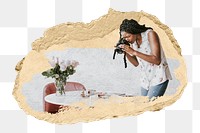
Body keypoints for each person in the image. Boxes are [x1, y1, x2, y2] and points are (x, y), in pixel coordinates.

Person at [119, 19, 172, 99]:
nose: (127, 39)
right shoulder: (134, 41)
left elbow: (157, 60)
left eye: (128, 36)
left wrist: (134, 52)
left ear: (135, 31)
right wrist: (125, 52)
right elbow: (136, 63)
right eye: (124, 38)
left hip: (159, 76)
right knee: (143, 105)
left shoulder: (150, 34)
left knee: (149, 107)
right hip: (145, 79)